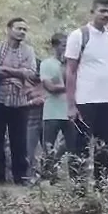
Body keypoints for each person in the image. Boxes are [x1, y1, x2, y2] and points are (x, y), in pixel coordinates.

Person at [64, 0, 108, 192]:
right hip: (85, 100)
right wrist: (71, 105)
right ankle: (78, 190)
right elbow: (70, 71)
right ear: (92, 12)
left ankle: (101, 188)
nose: (106, 15)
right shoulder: (79, 35)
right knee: (80, 147)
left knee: (104, 147)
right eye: (102, 10)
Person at [0, 17, 37, 185]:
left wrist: (6, 70)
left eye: (24, 29)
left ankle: (20, 178)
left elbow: (31, 74)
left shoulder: (29, 51)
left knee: (19, 142)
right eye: (19, 28)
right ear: (9, 29)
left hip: (20, 102)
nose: (22, 32)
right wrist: (19, 73)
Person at [39, 33, 71, 181]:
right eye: (63, 45)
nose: (66, 48)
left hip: (70, 111)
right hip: (52, 111)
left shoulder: (73, 64)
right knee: (48, 146)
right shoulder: (47, 64)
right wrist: (71, 86)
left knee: (71, 145)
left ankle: (68, 174)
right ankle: (47, 176)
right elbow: (50, 87)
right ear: (55, 46)